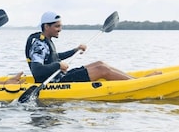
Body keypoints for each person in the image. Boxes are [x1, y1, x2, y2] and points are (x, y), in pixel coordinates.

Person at [25, 11, 157, 83]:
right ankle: (137, 83)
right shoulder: (39, 44)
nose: (60, 29)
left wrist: (75, 50)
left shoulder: (45, 40)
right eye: (57, 26)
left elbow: (54, 57)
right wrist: (58, 66)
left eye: (60, 26)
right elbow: (37, 71)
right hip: (53, 82)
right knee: (101, 69)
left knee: (100, 63)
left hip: (58, 76)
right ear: (46, 26)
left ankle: (136, 81)